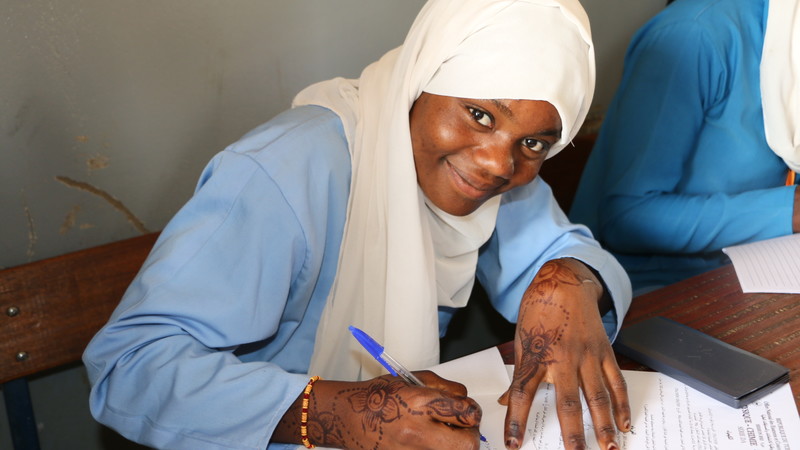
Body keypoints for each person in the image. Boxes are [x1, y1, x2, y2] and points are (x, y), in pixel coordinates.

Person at [83, 0, 633, 449]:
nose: (498, 163)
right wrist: (335, 413)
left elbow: (562, 249)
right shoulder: (286, 171)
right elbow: (131, 367)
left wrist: (568, 280)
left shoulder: (501, 177)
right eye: (480, 114)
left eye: (535, 143)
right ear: (423, 76)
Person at [569, 0, 800, 294]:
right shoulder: (695, 35)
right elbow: (625, 218)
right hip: (650, 292)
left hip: (754, 272)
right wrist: (787, 209)